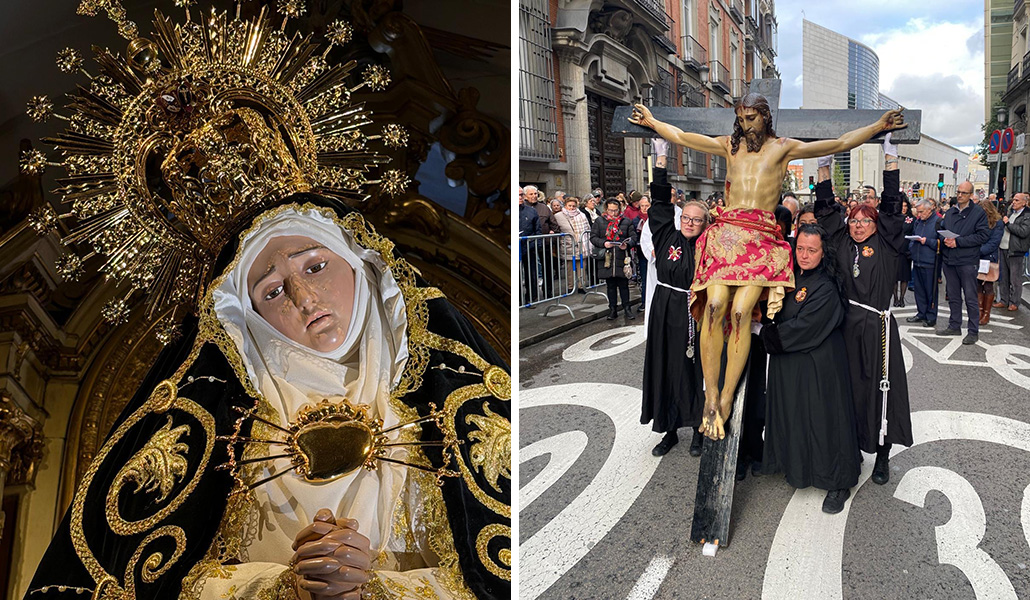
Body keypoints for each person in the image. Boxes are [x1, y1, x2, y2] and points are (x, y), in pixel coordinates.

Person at [25, 4, 511, 599]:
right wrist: (288, 588)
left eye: (315, 265)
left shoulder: (455, 406)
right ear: (245, 317)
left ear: (362, 265)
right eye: (273, 290)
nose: (305, 297)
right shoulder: (212, 433)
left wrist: (376, 590)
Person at [629, 95, 905, 440]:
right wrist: (653, 123)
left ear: (766, 118)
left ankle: (727, 397)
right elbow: (683, 137)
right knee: (714, 307)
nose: (748, 125)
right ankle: (711, 395)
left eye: (753, 118)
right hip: (726, 234)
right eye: (742, 118)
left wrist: (879, 126)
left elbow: (839, 141)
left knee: (743, 312)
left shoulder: (782, 148)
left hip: (761, 238)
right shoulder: (727, 147)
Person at [814, 136, 911, 486]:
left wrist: (890, 161)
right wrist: (824, 165)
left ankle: (882, 454)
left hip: (878, 329)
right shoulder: (839, 242)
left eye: (863, 220)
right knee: (848, 389)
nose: (857, 225)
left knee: (881, 389)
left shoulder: (887, 243)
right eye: (853, 220)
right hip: (844, 327)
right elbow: (825, 210)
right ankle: (852, 445)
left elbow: (890, 208)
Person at [758, 223, 860, 514]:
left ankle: (838, 481)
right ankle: (795, 466)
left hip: (819, 366)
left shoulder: (826, 286)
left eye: (811, 250)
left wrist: (765, 334)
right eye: (800, 248)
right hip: (791, 364)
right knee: (794, 416)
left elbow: (806, 327)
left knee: (824, 422)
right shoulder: (789, 277)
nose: (804, 255)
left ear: (822, 252)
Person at [640, 139, 706, 457]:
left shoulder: (708, 247)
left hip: (693, 312)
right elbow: (659, 200)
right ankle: (668, 430)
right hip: (664, 308)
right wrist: (661, 159)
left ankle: (697, 429)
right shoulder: (666, 233)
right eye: (687, 218)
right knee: (665, 367)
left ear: (705, 224)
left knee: (692, 370)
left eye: (696, 220)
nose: (690, 223)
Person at [938, 181, 990, 344]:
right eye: (958, 192)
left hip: (967, 260)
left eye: (964, 193)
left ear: (971, 195)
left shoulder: (978, 213)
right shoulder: (951, 212)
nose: (960, 195)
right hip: (950, 260)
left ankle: (973, 331)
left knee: (970, 297)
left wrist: (958, 242)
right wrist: (944, 239)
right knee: (953, 296)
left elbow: (982, 236)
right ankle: (954, 325)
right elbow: (941, 229)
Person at [591, 199, 637, 320]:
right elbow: (593, 237)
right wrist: (604, 243)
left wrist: (627, 244)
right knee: (610, 286)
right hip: (607, 258)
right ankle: (612, 309)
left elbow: (633, 237)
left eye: (615, 210)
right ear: (606, 209)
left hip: (622, 257)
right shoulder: (599, 221)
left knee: (623, 285)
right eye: (611, 210)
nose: (613, 213)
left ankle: (627, 308)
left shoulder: (626, 221)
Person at [908, 198, 942, 327]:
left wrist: (927, 241)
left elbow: (942, 242)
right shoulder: (918, 222)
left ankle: (931, 316)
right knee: (919, 290)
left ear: (929, 209)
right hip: (917, 260)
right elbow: (913, 234)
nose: (919, 214)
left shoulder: (938, 222)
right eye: (917, 212)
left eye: (921, 212)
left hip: (930, 261)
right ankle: (921, 313)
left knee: (930, 290)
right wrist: (912, 246)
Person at [996, 192, 1030, 311]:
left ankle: (1014, 302)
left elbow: (1023, 232)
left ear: (1024, 202)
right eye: (1013, 200)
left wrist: (1008, 224)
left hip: (1016, 250)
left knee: (1015, 279)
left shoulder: (1027, 215)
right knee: (1003, 277)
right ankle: (1004, 300)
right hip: (1003, 248)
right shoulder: (1011, 213)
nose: (1013, 202)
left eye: (1017, 200)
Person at [554, 196, 591, 293]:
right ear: (565, 206)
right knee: (569, 268)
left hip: (582, 244)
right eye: (569, 206)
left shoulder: (582, 215)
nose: (571, 208)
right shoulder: (558, 216)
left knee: (582, 267)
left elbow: (587, 228)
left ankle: (581, 285)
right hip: (568, 244)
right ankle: (570, 286)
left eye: (573, 206)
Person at [976, 199, 1004, 325]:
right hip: (977, 257)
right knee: (977, 285)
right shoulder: (978, 222)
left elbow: (993, 243)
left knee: (987, 286)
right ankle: (979, 311)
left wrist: (977, 250)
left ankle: (986, 314)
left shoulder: (997, 223)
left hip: (988, 257)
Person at [519, 186, 542, 304]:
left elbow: (537, 230)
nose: (520, 197)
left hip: (529, 247)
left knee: (531, 274)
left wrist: (536, 245)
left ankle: (532, 298)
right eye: (517, 195)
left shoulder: (531, 211)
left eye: (521, 195)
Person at [894, 199, 914, 307]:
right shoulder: (894, 217)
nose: (904, 208)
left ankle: (902, 298)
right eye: (902, 206)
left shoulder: (911, 219)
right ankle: (895, 298)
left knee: (904, 276)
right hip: (895, 249)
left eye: (906, 206)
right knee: (894, 276)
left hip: (906, 249)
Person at [635, 196, 651, 312]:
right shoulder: (636, 220)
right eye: (642, 206)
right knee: (644, 278)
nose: (644, 208)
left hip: (655, 253)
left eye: (647, 206)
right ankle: (644, 301)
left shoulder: (656, 218)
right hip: (641, 253)